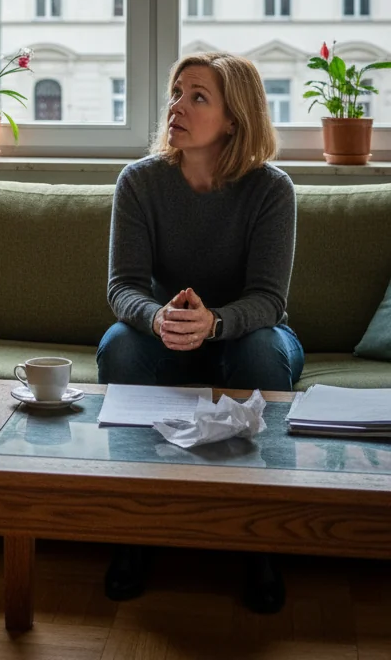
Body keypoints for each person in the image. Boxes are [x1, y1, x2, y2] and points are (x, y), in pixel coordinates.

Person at [96, 51, 302, 614]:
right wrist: (160, 317)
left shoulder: (271, 190)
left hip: (248, 334)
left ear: (234, 119)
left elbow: (269, 300)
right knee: (118, 347)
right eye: (176, 92)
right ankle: (133, 536)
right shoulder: (138, 182)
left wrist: (215, 323)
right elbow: (124, 288)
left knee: (263, 352)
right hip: (168, 337)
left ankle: (261, 544)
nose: (176, 107)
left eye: (197, 96)